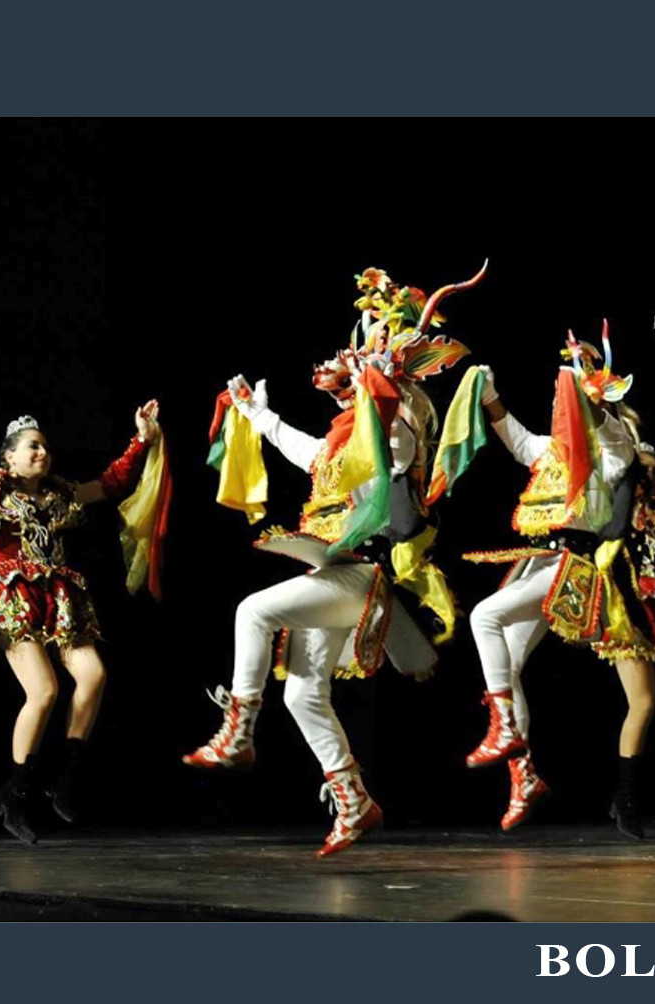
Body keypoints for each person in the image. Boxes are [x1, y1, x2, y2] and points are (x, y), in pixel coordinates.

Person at [184, 266, 476, 857]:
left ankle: (238, 731)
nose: (341, 376)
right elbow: (312, 454)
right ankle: (354, 801)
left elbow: (389, 456)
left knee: (252, 612)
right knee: (302, 694)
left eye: (354, 371)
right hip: (334, 573)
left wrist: (383, 384)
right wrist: (257, 415)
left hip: (360, 575)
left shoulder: (396, 431)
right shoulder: (350, 439)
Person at [0, 395, 162, 843]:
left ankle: (65, 778)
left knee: (94, 675)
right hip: (12, 596)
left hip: (59, 597)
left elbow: (111, 484)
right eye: (32, 446)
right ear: (9, 456)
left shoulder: (59, 493)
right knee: (44, 691)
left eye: (45, 446)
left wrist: (141, 440)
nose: (42, 452)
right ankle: (16, 792)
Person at [461, 328, 655, 838]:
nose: (560, 406)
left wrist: (589, 394)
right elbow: (515, 438)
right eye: (559, 400)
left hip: (575, 564)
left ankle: (505, 730)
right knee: (505, 663)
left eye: (568, 401)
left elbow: (615, 439)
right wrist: (488, 395)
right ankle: (523, 775)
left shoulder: (608, 451)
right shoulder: (552, 449)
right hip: (540, 563)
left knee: (485, 616)